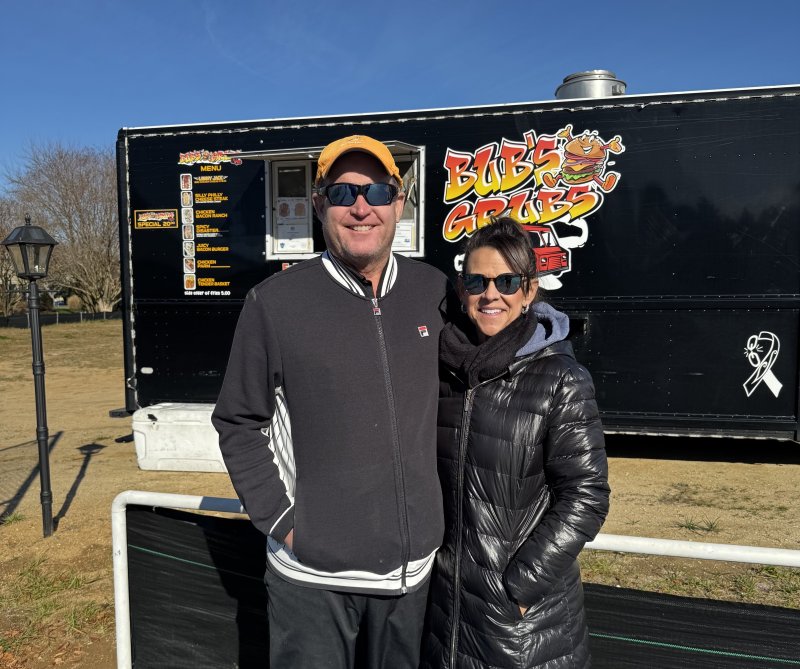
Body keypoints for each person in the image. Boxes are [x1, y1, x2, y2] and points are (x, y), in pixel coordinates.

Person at [211, 135, 450, 668]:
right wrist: (285, 523)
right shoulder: (275, 303)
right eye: (342, 193)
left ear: (400, 202)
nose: (361, 206)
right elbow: (237, 421)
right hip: (313, 580)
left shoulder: (434, 291)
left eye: (377, 191)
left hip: (413, 577)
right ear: (319, 203)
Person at [421, 217, 610, 669]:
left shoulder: (561, 378)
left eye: (507, 281)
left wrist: (521, 588)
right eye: (477, 280)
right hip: (445, 610)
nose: (491, 294)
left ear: (529, 291)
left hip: (522, 623)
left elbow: (586, 495)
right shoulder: (444, 371)